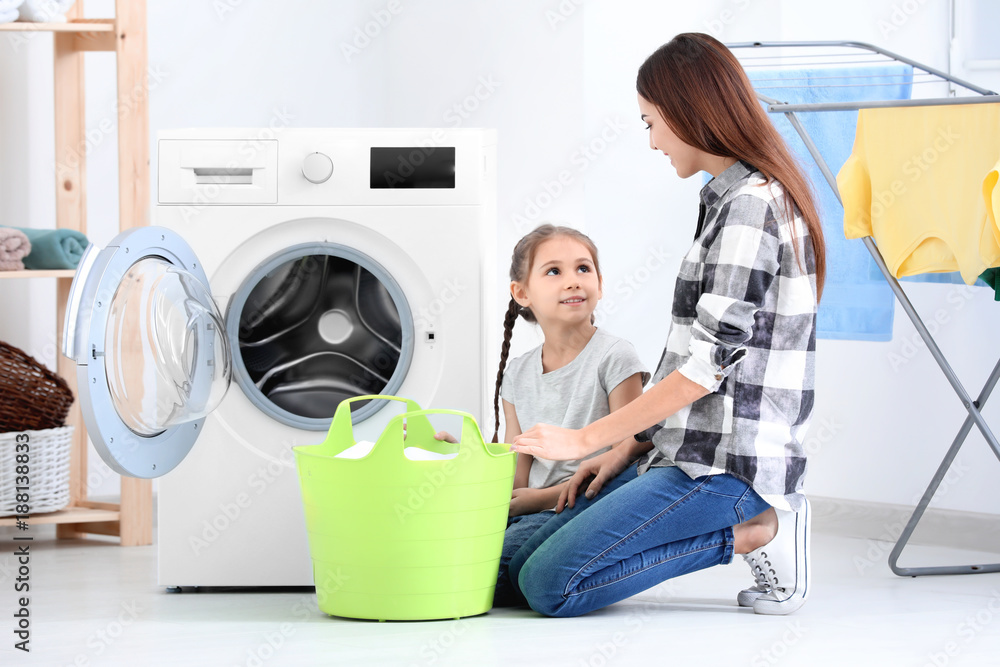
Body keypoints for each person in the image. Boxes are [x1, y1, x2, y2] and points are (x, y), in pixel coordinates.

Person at [506, 32, 826, 617]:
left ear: (687, 111)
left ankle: (759, 532)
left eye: (651, 122)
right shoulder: (723, 202)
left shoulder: (752, 206)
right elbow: (689, 360)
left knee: (550, 586)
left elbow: (707, 367)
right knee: (511, 567)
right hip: (680, 450)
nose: (652, 140)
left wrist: (584, 440)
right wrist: (627, 447)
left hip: (727, 467)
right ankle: (723, 513)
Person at [448, 223, 649, 605]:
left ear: (600, 284)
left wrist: (538, 500)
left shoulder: (615, 357)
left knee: (489, 577)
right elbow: (515, 469)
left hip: (585, 506)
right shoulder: (518, 373)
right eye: (554, 271)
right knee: (449, 553)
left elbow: (626, 460)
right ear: (522, 293)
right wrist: (462, 456)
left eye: (583, 268)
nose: (573, 281)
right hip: (529, 510)